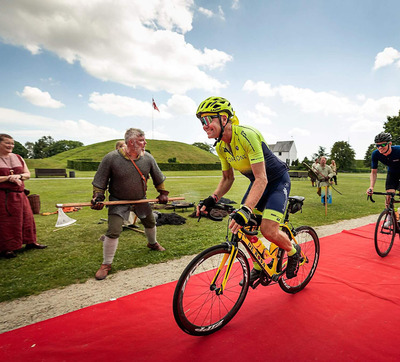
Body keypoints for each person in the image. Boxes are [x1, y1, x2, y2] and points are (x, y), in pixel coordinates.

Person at [195, 96, 301, 282]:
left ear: (224, 119)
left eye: (208, 119)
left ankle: (293, 252)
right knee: (244, 226)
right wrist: (213, 198)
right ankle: (261, 265)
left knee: (268, 230)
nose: (204, 125)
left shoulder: (246, 135)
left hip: (276, 181)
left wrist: (246, 208)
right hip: (259, 183)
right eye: (202, 121)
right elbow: (228, 178)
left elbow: (262, 177)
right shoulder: (221, 147)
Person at [91, 128, 169, 280]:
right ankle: (106, 264)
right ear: (131, 142)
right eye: (141, 140)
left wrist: (163, 193)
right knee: (113, 230)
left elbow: (158, 178)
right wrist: (98, 197)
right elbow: (100, 181)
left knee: (150, 222)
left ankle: (152, 243)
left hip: (141, 199)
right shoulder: (111, 158)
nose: (145, 143)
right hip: (118, 200)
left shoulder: (148, 158)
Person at [0, 134, 47, 258]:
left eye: (12, 143)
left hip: (20, 195)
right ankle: (7, 248)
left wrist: (19, 176)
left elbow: (27, 174)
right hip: (3, 196)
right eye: (7, 143)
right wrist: (8, 178)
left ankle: (30, 241)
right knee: (7, 222)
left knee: (27, 219)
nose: (11, 146)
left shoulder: (18, 157)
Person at [367, 132, 400, 216]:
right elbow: (374, 172)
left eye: (383, 145)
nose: (380, 148)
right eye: (377, 145)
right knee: (389, 195)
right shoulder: (375, 154)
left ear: (390, 144)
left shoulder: (398, 150)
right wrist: (371, 187)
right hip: (392, 173)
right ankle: (389, 217)